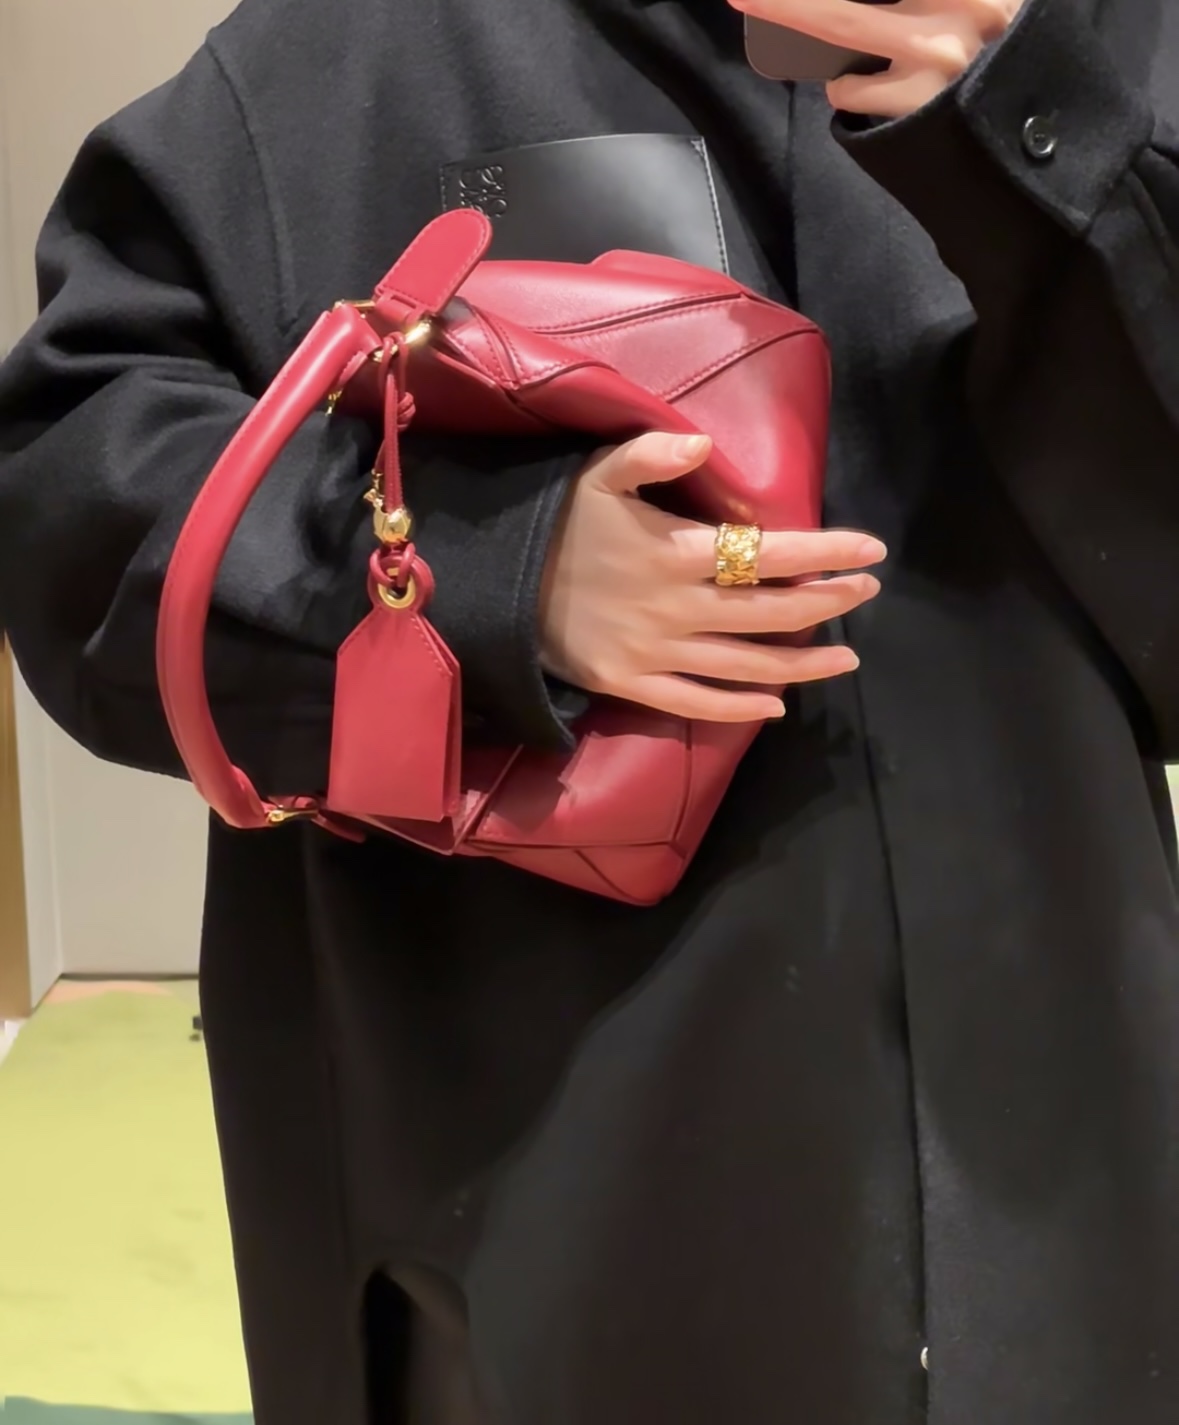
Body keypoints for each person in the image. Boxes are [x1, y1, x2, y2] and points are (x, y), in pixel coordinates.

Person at [1, 0, 1177, 1419]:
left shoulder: (1101, 32)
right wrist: (480, 569)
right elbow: (69, 506)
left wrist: (1038, 117)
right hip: (540, 1219)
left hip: (1061, 1171)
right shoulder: (356, 49)